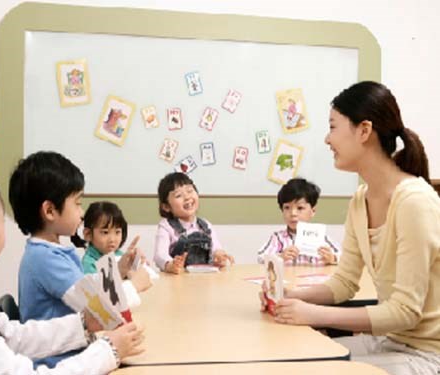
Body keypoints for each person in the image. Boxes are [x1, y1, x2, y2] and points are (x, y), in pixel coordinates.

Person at [261, 81, 440, 374]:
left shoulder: (415, 202)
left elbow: (405, 312)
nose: (327, 139)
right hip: (387, 342)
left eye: (333, 127)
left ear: (364, 131)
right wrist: (290, 297)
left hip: (427, 354)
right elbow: (344, 283)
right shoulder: (360, 201)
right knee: (295, 356)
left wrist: (314, 315)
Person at [0, 156, 144, 374]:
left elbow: (10, 335)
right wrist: (108, 350)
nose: (82, 211)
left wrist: (84, 324)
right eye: (0, 219)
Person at [10, 151, 141, 368]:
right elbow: (97, 308)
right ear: (50, 211)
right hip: (59, 362)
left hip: (75, 353)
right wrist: (134, 285)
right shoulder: (45, 258)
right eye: (78, 203)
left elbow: (87, 289)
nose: (81, 213)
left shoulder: (49, 252)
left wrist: (119, 273)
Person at [154, 172, 235, 274]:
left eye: (190, 191)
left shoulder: (205, 226)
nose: (187, 197)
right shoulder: (166, 227)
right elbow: (159, 255)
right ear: (166, 206)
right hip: (177, 283)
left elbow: (216, 249)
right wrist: (170, 265)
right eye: (179, 195)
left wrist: (219, 256)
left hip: (203, 281)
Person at [257, 177, 340, 266]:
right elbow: (261, 257)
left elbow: (345, 257)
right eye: (287, 208)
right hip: (288, 279)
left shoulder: (322, 238)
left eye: (300, 208)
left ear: (313, 211)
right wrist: (280, 256)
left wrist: (333, 258)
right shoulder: (278, 238)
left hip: (315, 279)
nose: (293, 213)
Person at [75, 201, 152, 295]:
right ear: (88, 234)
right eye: (105, 232)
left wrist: (139, 263)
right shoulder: (89, 264)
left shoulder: (119, 255)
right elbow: (100, 295)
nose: (112, 239)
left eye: (117, 232)